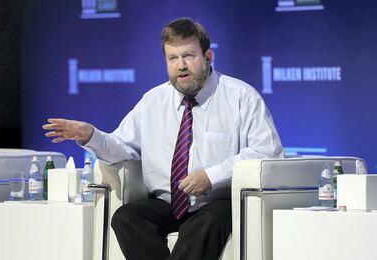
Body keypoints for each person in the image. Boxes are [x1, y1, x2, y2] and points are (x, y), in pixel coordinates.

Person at [43, 18, 284, 260]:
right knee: (126, 217)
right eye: (173, 58)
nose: (181, 66)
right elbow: (122, 147)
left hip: (216, 203)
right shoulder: (153, 101)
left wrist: (212, 176)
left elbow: (267, 152)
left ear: (208, 56)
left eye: (189, 56)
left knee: (203, 223)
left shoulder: (241, 97)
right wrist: (91, 136)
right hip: (167, 202)